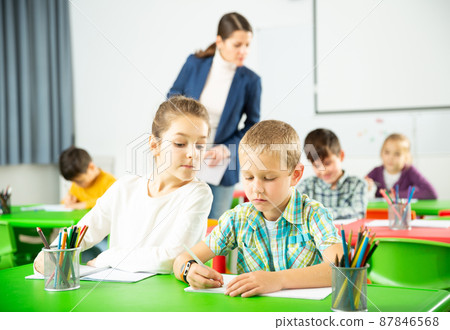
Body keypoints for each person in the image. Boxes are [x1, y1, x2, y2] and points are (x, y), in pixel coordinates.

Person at [34, 96, 213, 274]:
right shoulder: (125, 187)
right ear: (154, 145)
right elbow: (84, 231)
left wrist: (108, 258)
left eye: (200, 145)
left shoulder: (198, 193)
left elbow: (174, 257)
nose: (192, 153)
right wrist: (52, 253)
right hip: (118, 295)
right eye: (180, 143)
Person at [173, 120, 343, 297]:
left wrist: (278, 280)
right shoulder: (237, 219)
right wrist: (188, 270)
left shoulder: (313, 215)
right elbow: (181, 260)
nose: (257, 188)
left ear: (295, 175)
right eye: (248, 177)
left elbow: (341, 269)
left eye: (268, 178)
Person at [167, 12, 261, 220]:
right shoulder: (194, 64)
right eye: (237, 45)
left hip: (220, 166)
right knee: (182, 222)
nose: (243, 51)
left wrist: (227, 150)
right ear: (220, 41)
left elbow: (253, 126)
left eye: (247, 45)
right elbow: (173, 97)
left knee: (217, 230)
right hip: (187, 157)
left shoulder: (251, 81)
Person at [297, 129, 368, 220]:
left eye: (327, 163)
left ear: (341, 156)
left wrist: (320, 213)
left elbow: (359, 212)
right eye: (316, 165)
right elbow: (295, 209)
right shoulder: (307, 185)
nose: (323, 171)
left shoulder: (358, 184)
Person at [366, 133, 438, 199]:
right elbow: (358, 187)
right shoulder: (376, 171)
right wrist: (366, 186)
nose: (391, 158)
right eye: (387, 152)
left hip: (403, 212)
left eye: (397, 154)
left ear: (406, 157)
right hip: (381, 212)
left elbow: (431, 193)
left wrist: (397, 195)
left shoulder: (410, 171)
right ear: (381, 153)